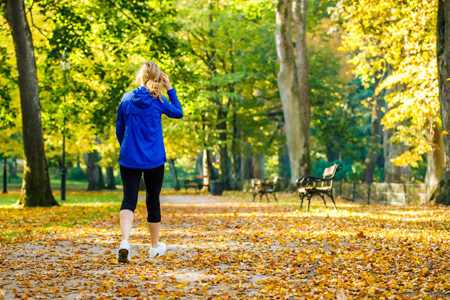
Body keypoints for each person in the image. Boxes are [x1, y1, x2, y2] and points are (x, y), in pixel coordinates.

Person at [115, 61, 183, 263]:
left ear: (141, 76)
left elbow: (120, 129)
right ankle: (154, 248)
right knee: (153, 201)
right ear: (158, 79)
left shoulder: (126, 99)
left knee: (128, 200)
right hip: (154, 159)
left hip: (129, 158)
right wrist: (170, 88)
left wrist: (126, 146)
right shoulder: (158, 101)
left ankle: (125, 242)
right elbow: (178, 112)